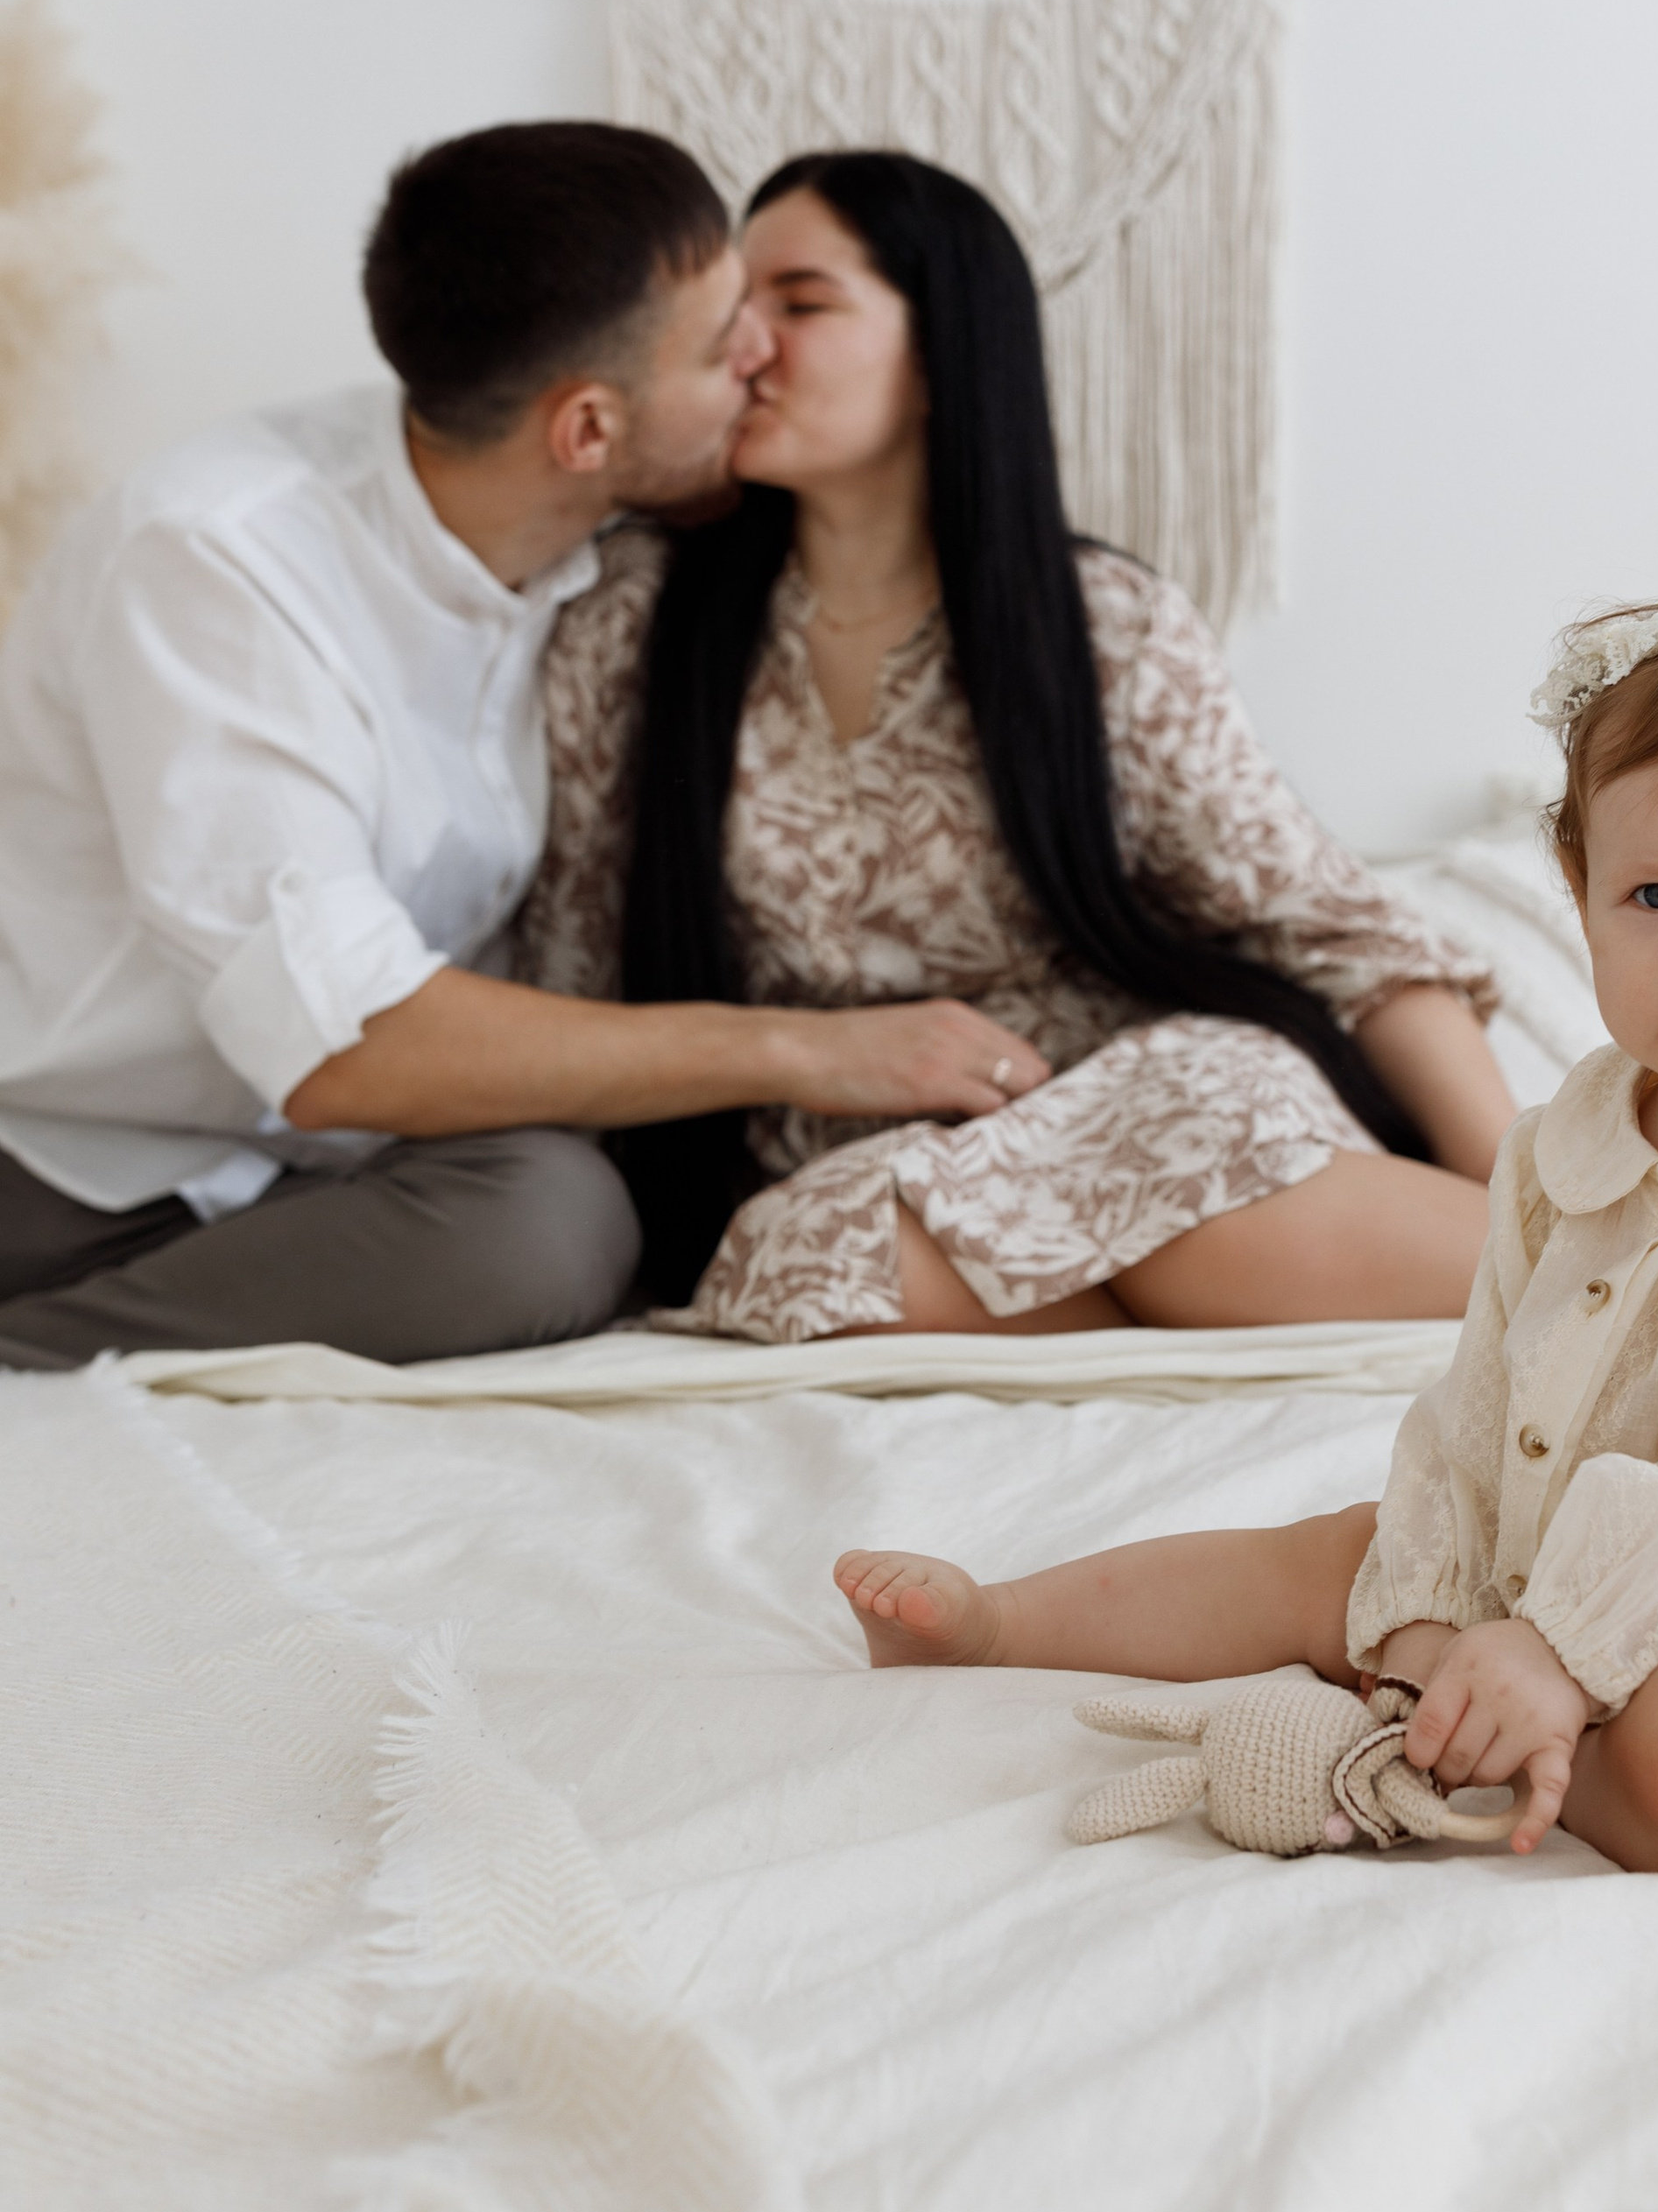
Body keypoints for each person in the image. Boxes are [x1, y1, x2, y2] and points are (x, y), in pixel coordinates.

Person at [832, 582, 1658, 1877]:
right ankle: (1003, 1624)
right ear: (1583, 889)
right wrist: (1442, 1605)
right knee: (1345, 1555)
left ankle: (1453, 1760)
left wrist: (1566, 1645)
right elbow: (1475, 1419)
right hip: (1582, 1579)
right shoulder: (1565, 1139)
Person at [0, 121, 1059, 1370]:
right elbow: (349, 1048)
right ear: (588, 431)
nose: (767, 355)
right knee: (547, 1239)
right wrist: (813, 1050)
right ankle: (34, 1350)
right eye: (727, 343)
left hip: (355, 1166)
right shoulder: (216, 565)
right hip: (82, 1167)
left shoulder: (601, 549)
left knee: (555, 1215)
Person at [519, 148, 1518, 1338]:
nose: (747, 345)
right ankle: (1267, 1285)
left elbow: (1335, 932)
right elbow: (573, 986)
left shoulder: (1103, 629)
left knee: (1195, 1168)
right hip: (847, 1172)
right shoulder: (626, 628)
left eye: (803, 303)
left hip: (1146, 1101)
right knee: (827, 1263)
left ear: (943, 349)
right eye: (739, 309)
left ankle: (1627, 1270)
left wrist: (1525, 1186)